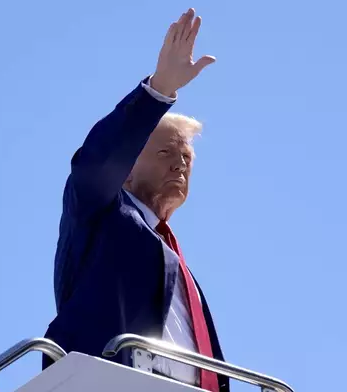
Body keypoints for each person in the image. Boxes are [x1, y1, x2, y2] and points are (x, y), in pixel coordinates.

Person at [42, 8, 228, 392]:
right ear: (126, 167)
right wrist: (159, 90)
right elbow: (96, 164)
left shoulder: (173, 256)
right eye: (165, 153)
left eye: (186, 157)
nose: (180, 163)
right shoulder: (102, 213)